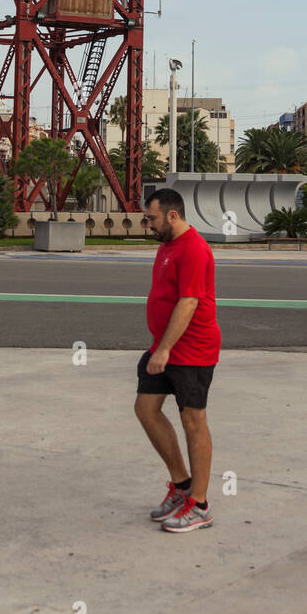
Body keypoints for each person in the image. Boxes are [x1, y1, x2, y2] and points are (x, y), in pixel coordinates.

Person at [134, 188, 221, 532]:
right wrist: (160, 345)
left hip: (192, 349)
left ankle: (199, 505)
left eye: (152, 218)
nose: (148, 225)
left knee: (193, 421)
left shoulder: (195, 249)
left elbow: (189, 303)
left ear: (172, 215)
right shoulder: (167, 247)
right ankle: (181, 485)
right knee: (146, 409)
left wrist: (165, 349)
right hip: (165, 345)